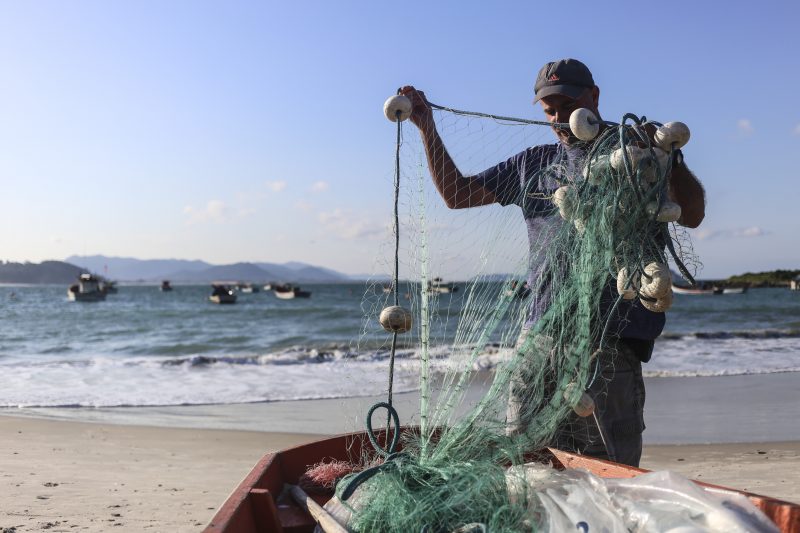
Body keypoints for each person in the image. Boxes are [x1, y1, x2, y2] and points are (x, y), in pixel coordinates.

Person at [401, 58, 705, 467]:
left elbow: (692, 213)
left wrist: (669, 155)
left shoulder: (639, 156)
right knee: (524, 467)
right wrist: (427, 126)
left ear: (594, 97)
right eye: (549, 110)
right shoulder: (533, 163)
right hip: (539, 340)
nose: (560, 117)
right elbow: (457, 194)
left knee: (608, 474)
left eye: (567, 104)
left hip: (609, 347)